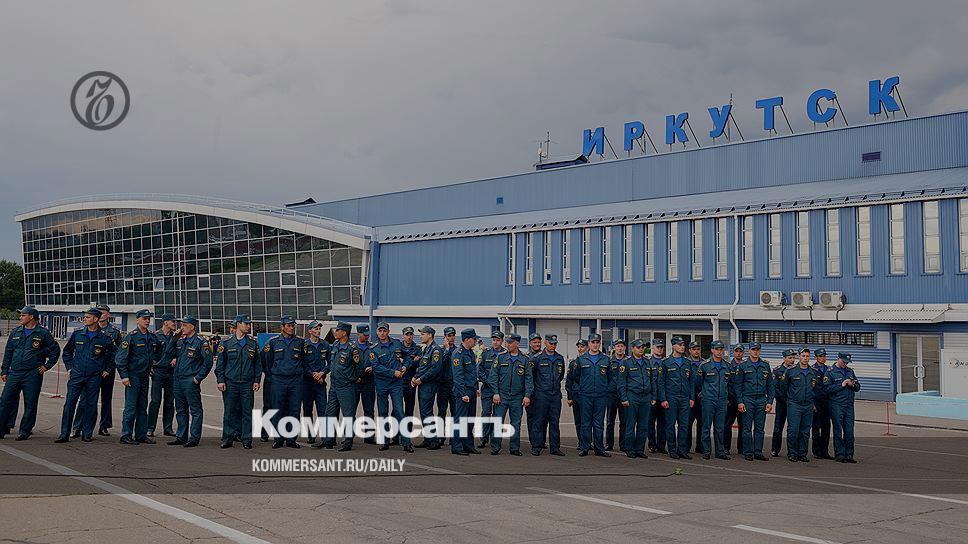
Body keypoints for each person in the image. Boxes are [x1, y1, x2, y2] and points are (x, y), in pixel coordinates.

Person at [0, 306, 60, 440]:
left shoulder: (43, 333)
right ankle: (1, 429)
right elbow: (8, 352)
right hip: (15, 373)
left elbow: (55, 350)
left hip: (32, 373)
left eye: (23, 315)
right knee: (5, 400)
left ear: (31, 317)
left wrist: (47, 366)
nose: (20, 317)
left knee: (30, 403)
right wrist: (4, 370)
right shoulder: (16, 332)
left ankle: (25, 431)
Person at [56, 308, 116, 443]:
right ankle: (64, 434)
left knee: (91, 405)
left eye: (88, 317)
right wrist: (69, 368)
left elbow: (114, 354)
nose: (84, 319)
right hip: (77, 375)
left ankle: (87, 433)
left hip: (94, 376)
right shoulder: (78, 334)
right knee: (69, 404)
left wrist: (107, 369)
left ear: (95, 319)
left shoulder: (104, 337)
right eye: (85, 317)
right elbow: (67, 352)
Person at [72, 303, 120, 438]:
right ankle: (77, 427)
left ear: (108, 315)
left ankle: (104, 426)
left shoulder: (114, 332)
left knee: (106, 398)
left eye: (103, 312)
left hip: (106, 371)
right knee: (84, 399)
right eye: (98, 312)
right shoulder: (86, 330)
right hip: (91, 370)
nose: (101, 315)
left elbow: (117, 353)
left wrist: (108, 369)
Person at [115, 310, 162, 445]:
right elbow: (120, 359)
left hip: (144, 376)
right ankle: (126, 435)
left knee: (142, 406)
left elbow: (159, 349)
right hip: (133, 376)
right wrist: (124, 376)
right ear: (137, 320)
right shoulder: (131, 337)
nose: (147, 321)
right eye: (144, 318)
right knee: (131, 407)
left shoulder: (152, 337)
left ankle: (141, 435)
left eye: (148, 319)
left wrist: (153, 362)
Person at [214, 315, 261, 449]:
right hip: (231, 383)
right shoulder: (226, 342)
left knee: (247, 412)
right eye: (246, 324)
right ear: (238, 324)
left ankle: (246, 439)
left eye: (249, 324)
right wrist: (220, 380)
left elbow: (258, 364)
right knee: (229, 412)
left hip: (247, 383)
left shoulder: (252, 343)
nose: (248, 326)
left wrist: (257, 380)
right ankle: (228, 438)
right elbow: (220, 364)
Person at [313, 322, 361, 451]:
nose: (336, 332)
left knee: (348, 415)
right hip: (334, 385)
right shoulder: (335, 345)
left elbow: (359, 367)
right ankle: (328, 440)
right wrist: (323, 372)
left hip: (346, 386)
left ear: (344, 333)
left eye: (338, 330)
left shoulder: (352, 349)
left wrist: (353, 378)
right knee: (329, 413)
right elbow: (331, 364)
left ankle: (348, 442)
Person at [166, 316, 213, 447]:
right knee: (180, 410)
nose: (182, 327)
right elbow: (168, 354)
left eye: (185, 325)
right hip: (178, 379)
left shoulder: (200, 342)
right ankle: (181, 436)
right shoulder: (181, 341)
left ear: (192, 327)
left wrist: (198, 378)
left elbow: (208, 362)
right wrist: (173, 339)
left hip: (190, 380)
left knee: (195, 410)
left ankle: (194, 438)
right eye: (182, 325)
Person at [263, 316, 307, 449]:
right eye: (288, 325)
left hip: (295, 381)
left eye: (292, 325)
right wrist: (273, 375)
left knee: (294, 409)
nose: (291, 328)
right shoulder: (273, 342)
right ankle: (278, 439)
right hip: (278, 380)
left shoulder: (300, 342)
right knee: (278, 409)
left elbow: (304, 361)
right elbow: (266, 362)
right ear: (282, 327)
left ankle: (291, 439)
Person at [369, 322, 412, 452]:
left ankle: (406, 443)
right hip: (381, 383)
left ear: (388, 331)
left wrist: (406, 366)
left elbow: (407, 355)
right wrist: (393, 372)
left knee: (399, 411)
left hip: (396, 384)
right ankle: (384, 441)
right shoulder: (374, 348)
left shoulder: (397, 344)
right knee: (383, 412)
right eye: (380, 331)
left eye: (384, 331)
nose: (382, 333)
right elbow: (376, 367)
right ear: (377, 332)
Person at [487, 333, 533, 456]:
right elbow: (493, 376)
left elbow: (529, 379)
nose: (507, 344)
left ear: (517, 344)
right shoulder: (501, 358)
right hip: (501, 396)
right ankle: (495, 447)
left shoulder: (524, 360)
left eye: (510, 342)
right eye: (507, 342)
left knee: (515, 423)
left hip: (517, 397)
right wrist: (495, 393)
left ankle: (514, 448)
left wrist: (527, 395)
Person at [777, 347, 821, 462]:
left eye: (807, 356)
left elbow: (816, 389)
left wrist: (812, 402)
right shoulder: (790, 371)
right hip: (794, 404)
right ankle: (792, 453)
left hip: (808, 405)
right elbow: (783, 388)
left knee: (805, 431)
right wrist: (789, 401)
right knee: (793, 430)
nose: (805, 358)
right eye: (803, 356)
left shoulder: (814, 372)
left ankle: (802, 453)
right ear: (799, 357)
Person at [572, 334, 611, 457]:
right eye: (593, 342)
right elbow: (576, 377)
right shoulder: (581, 359)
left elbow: (610, 377)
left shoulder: (606, 359)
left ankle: (599, 449)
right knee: (585, 423)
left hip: (601, 396)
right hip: (586, 395)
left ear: (600, 344)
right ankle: (584, 447)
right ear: (588, 344)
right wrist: (584, 388)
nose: (595, 345)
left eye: (597, 342)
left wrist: (604, 388)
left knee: (599, 424)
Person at [734, 342, 774, 461]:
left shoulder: (765, 365)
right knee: (746, 428)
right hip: (748, 399)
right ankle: (748, 452)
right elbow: (738, 385)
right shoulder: (743, 366)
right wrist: (740, 401)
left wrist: (769, 401)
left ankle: (758, 452)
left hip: (761, 399)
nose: (755, 352)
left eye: (757, 349)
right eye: (753, 349)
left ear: (760, 351)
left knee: (760, 428)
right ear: (749, 351)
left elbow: (770, 385)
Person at [617, 339, 656, 459]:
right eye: (638, 347)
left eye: (642, 347)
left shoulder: (647, 362)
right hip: (632, 396)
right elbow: (621, 382)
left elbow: (652, 381)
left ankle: (639, 449)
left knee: (643, 425)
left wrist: (653, 396)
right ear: (632, 348)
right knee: (630, 424)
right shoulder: (626, 363)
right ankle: (629, 449)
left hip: (646, 397)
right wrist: (624, 398)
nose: (641, 349)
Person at [528, 334, 565, 456]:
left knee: (554, 422)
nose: (553, 346)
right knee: (539, 421)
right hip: (541, 395)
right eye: (551, 343)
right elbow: (531, 377)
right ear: (545, 343)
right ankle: (536, 446)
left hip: (555, 396)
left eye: (555, 344)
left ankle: (555, 447)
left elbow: (560, 376)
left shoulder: (560, 358)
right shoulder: (537, 358)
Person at [659, 337, 695, 459]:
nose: (682, 347)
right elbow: (661, 382)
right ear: (673, 346)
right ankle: (672, 450)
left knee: (684, 425)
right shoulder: (665, 362)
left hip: (685, 398)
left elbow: (691, 382)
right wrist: (663, 399)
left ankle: (682, 450)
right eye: (679, 345)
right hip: (671, 397)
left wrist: (692, 398)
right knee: (670, 425)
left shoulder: (687, 362)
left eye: (683, 345)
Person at [696, 340, 732, 460]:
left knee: (720, 427)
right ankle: (706, 451)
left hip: (722, 400)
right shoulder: (704, 365)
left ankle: (720, 452)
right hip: (708, 400)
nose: (719, 352)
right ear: (712, 350)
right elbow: (698, 383)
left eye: (721, 349)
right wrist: (705, 394)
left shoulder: (727, 366)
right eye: (717, 349)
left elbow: (729, 383)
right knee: (706, 426)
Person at [411, 326, 444, 450]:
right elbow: (422, 367)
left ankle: (433, 440)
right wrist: (415, 376)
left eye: (423, 334)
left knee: (427, 412)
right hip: (423, 384)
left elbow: (435, 369)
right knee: (424, 412)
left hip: (429, 384)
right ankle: (428, 438)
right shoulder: (426, 349)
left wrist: (421, 379)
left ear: (430, 335)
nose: (420, 336)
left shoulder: (435, 350)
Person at [147, 314, 179, 438]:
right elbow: (149, 352)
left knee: (170, 402)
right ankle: (150, 428)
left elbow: (179, 350)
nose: (175, 323)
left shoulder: (176, 336)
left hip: (171, 372)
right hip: (158, 371)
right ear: (165, 322)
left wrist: (176, 358)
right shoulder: (155, 335)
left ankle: (168, 428)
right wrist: (150, 365)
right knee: (155, 400)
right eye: (172, 321)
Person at [825, 352, 860, 463]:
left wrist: (853, 385)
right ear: (838, 358)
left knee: (849, 431)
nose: (845, 364)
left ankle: (849, 455)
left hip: (849, 405)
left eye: (847, 362)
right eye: (844, 362)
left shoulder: (850, 371)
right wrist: (842, 384)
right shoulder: (830, 372)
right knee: (838, 430)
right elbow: (827, 389)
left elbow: (858, 387)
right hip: (837, 404)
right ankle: (839, 454)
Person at [451, 328, 482, 455]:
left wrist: (476, 388)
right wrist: (463, 393)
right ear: (467, 339)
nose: (475, 341)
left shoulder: (470, 352)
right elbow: (458, 376)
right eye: (474, 339)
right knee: (460, 420)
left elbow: (473, 373)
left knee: (470, 420)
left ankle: (468, 445)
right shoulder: (458, 354)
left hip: (471, 390)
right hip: (463, 392)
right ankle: (457, 446)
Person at [302, 320, 329, 445]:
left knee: (323, 410)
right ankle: (310, 435)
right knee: (307, 410)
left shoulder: (325, 345)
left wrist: (322, 373)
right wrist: (312, 374)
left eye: (319, 329)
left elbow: (329, 363)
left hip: (320, 383)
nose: (318, 331)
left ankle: (324, 437)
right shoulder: (304, 345)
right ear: (310, 331)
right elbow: (302, 364)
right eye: (316, 329)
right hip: (307, 383)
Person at [477, 331, 505, 449]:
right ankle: (483, 438)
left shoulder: (505, 354)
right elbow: (479, 370)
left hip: (500, 390)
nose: (495, 342)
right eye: (494, 340)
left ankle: (495, 440)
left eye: (498, 340)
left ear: (502, 341)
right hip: (487, 389)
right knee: (486, 413)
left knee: (498, 415)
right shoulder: (486, 353)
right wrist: (489, 382)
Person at [770, 348, 797, 457]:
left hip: (794, 404)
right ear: (784, 358)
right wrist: (784, 399)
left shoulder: (796, 370)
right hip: (782, 404)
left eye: (793, 358)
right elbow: (774, 388)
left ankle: (792, 451)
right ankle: (775, 449)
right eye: (790, 358)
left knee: (793, 428)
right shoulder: (777, 371)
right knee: (778, 427)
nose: (792, 360)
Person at [355, 324, 377, 444]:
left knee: (369, 409)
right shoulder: (352, 347)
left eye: (368, 334)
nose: (367, 336)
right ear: (359, 334)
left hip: (369, 382)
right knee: (351, 410)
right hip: (355, 382)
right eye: (365, 334)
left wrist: (372, 368)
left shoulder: (372, 347)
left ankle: (369, 436)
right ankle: (349, 436)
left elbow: (377, 361)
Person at [605, 338, 628, 453]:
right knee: (610, 421)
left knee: (624, 422)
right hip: (611, 395)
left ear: (625, 348)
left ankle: (623, 445)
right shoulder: (609, 361)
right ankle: (609, 444)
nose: (620, 348)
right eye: (618, 346)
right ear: (614, 348)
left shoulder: (628, 361)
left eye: (622, 346)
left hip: (624, 396)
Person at [723, 344, 746, 456]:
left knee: (743, 426)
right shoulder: (728, 366)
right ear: (733, 352)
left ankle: (741, 449)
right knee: (727, 425)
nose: (738, 353)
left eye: (740, 351)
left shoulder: (746, 366)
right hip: (731, 401)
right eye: (736, 351)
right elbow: (725, 384)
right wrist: (727, 398)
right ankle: (726, 448)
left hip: (743, 401)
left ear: (743, 353)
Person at [436, 327, 458, 444]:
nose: (451, 338)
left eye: (453, 335)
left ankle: (454, 438)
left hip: (454, 386)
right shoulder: (440, 350)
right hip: (443, 386)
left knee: (455, 412)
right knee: (441, 412)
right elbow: (440, 365)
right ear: (445, 337)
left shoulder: (458, 351)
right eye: (449, 336)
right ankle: (441, 436)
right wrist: (447, 350)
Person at [565, 339, 587, 450]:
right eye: (579, 347)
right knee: (578, 420)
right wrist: (569, 397)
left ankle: (587, 441)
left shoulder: (590, 362)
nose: (580, 349)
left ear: (587, 347)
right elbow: (569, 380)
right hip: (576, 395)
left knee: (588, 420)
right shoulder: (573, 363)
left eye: (582, 346)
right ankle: (581, 441)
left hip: (587, 395)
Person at [811, 348, 833, 459]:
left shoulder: (829, 369)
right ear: (816, 357)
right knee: (816, 428)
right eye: (820, 356)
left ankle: (825, 451)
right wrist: (812, 403)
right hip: (817, 402)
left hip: (827, 402)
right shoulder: (812, 370)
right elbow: (810, 388)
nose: (823, 358)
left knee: (826, 427)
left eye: (824, 356)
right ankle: (816, 451)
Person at [647, 339, 668, 454]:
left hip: (663, 397)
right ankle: (652, 445)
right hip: (652, 398)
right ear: (652, 348)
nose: (660, 349)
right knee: (650, 423)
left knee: (663, 423)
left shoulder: (666, 363)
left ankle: (661, 446)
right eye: (657, 347)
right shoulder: (648, 363)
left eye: (661, 347)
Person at [685, 341, 705, 454]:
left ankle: (700, 447)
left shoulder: (704, 363)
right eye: (694, 349)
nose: (696, 351)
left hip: (702, 397)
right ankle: (686, 447)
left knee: (702, 423)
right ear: (690, 350)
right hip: (690, 398)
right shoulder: (686, 363)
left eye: (698, 349)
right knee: (687, 423)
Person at [400, 327, 421, 420]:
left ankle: (408, 428)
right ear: (403, 336)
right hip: (398, 381)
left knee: (409, 408)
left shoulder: (417, 349)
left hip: (410, 382)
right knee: (397, 408)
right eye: (406, 335)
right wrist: (412, 361)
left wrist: (403, 361)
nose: (409, 337)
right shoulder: (398, 347)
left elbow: (419, 363)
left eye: (410, 335)